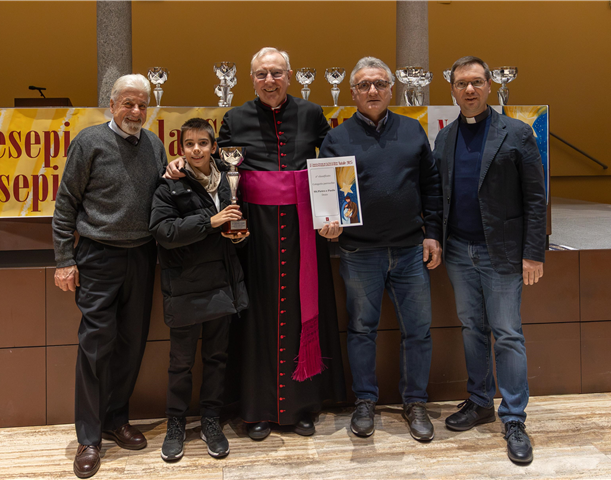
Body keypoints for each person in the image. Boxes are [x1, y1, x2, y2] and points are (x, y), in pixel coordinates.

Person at [165, 47, 346, 440]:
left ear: (289, 76)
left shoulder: (312, 113)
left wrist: (335, 216)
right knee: (256, 314)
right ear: (252, 79)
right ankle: (257, 408)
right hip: (253, 231)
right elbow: (218, 167)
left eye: (276, 73)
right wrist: (182, 164)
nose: (269, 80)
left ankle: (303, 406)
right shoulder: (236, 118)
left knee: (301, 309)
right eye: (262, 74)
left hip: (302, 229)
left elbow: (333, 163)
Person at [318, 57, 443, 442]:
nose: (372, 90)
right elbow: (327, 197)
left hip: (410, 251)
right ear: (353, 93)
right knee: (361, 330)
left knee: (418, 331)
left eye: (379, 84)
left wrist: (432, 233)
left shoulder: (412, 130)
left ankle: (415, 402)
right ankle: (365, 401)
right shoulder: (337, 138)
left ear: (391, 89)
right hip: (359, 253)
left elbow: (431, 185)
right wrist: (329, 224)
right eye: (364, 85)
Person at [52, 74, 167, 479]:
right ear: (113, 104)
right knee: (96, 346)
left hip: (142, 256)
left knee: (131, 344)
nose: (135, 112)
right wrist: (64, 259)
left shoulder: (154, 145)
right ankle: (88, 436)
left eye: (142, 105)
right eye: (128, 104)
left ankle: (116, 419)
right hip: (98, 257)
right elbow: (66, 202)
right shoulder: (89, 142)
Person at [432, 56, 546, 464]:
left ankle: (513, 418)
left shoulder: (516, 132)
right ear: (452, 90)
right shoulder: (445, 138)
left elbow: (536, 197)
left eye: (477, 82)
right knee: (472, 329)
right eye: (462, 83)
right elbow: (438, 195)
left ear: (489, 86)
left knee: (508, 333)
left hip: (502, 253)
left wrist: (533, 252)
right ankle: (480, 401)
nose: (470, 90)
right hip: (458, 251)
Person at [150, 118, 248, 461]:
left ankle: (210, 421)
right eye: (189, 144)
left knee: (216, 359)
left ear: (214, 147)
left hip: (222, 282)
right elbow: (164, 232)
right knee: (180, 363)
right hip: (185, 286)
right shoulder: (170, 184)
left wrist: (239, 235)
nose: (196, 150)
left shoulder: (230, 180)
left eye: (203, 143)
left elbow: (237, 220)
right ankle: (175, 424)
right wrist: (210, 221)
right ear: (181, 149)